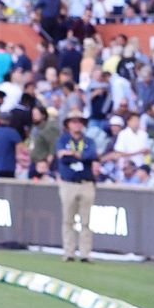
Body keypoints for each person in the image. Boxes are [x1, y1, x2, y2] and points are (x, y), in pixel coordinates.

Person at [53, 111, 98, 261]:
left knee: (86, 221)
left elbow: (91, 155)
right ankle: (69, 252)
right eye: (73, 121)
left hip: (86, 183)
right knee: (68, 220)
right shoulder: (62, 139)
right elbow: (62, 157)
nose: (77, 124)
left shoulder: (89, 141)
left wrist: (73, 154)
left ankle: (85, 253)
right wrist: (79, 155)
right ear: (68, 124)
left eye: (79, 121)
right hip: (68, 183)